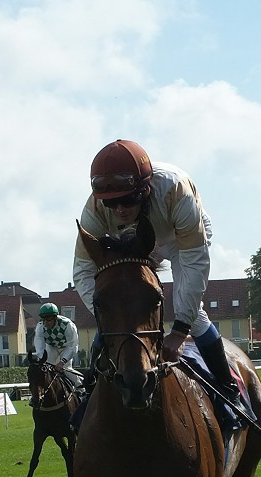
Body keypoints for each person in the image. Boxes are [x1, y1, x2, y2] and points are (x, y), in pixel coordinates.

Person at [72, 139, 242, 406]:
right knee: (116, 311)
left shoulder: (176, 190)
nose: (120, 210)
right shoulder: (94, 210)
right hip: (135, 240)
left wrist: (179, 329)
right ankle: (87, 395)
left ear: (145, 188)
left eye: (128, 200)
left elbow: (194, 263)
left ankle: (228, 388)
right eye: (112, 204)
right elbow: (82, 272)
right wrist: (110, 313)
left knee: (193, 314)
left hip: (179, 238)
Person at [33, 303, 80, 371]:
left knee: (66, 369)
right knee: (47, 368)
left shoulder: (68, 325)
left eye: (48, 319)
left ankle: (77, 381)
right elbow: (40, 349)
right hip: (51, 347)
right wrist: (42, 360)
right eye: (43, 319)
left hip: (66, 348)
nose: (46, 323)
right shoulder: (40, 327)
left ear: (55, 317)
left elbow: (72, 346)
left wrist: (62, 362)